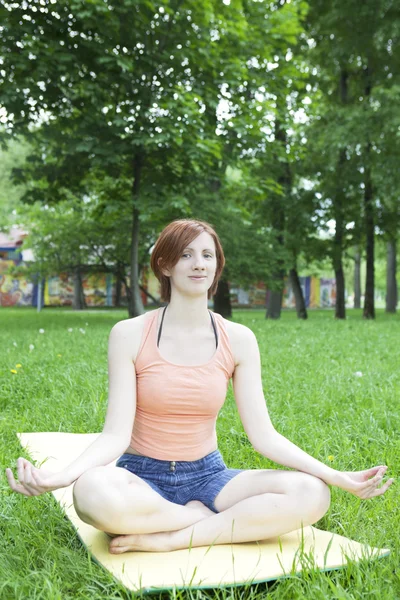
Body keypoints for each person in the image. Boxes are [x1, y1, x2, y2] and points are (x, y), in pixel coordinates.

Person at [6, 219, 393, 554]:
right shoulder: (128, 334)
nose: (199, 264)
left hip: (209, 476)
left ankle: (175, 537)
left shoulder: (238, 339)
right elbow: (114, 435)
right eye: (187, 254)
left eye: (208, 255)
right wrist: (61, 476)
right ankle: (197, 521)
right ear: (165, 264)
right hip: (140, 476)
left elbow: (264, 436)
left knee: (313, 494)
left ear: (217, 266)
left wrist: (336, 476)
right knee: (90, 494)